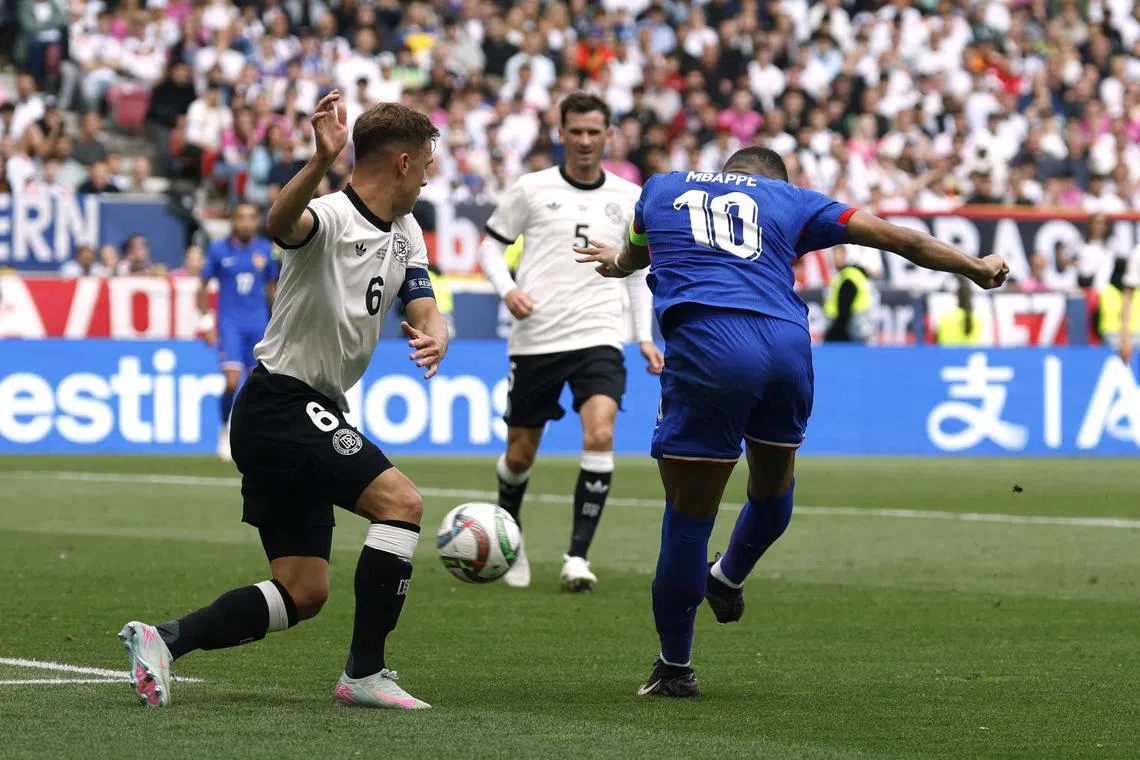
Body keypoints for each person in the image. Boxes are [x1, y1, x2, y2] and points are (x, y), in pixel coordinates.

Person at [574, 147, 1008, 697]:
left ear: (727, 173)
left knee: (688, 517)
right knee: (774, 485)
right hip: (786, 346)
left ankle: (675, 670)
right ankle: (728, 576)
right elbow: (898, 238)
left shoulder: (660, 188)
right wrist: (974, 267)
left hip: (710, 343)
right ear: (776, 181)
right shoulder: (795, 201)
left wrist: (616, 263)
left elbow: (635, 254)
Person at [119, 93, 448, 711]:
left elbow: (423, 302)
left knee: (304, 590)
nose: (430, 175)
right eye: (427, 162)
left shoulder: (406, 231)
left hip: (307, 408)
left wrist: (438, 332)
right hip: (282, 402)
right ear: (403, 162)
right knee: (401, 503)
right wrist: (319, 161)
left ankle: (164, 640)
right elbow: (281, 224)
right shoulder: (330, 216)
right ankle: (365, 673)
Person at [479, 92, 662, 591]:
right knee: (519, 457)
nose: (584, 140)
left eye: (593, 132)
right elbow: (490, 247)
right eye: (575, 131)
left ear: (608, 136)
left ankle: (577, 558)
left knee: (600, 434)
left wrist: (643, 336)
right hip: (536, 338)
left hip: (599, 334)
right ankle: (511, 541)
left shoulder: (630, 196)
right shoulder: (531, 189)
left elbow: (635, 271)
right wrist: (508, 289)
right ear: (560, 134)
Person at [196, 204, 279, 461]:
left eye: (251, 218)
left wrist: (279, 325)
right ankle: (224, 430)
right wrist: (207, 322)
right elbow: (202, 286)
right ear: (233, 220)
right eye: (241, 217)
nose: (246, 223)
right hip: (230, 325)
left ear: (257, 221)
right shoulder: (218, 250)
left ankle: (253, 435)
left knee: (258, 384)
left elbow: (273, 290)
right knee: (232, 381)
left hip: (258, 325)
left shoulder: (266, 250)